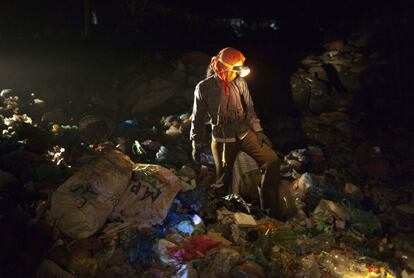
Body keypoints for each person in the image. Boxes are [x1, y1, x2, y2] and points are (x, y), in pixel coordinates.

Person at [190, 47, 281, 217]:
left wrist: (259, 131)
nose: (240, 70)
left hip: (244, 133)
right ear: (224, 68)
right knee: (223, 181)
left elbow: (250, 110)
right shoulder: (204, 88)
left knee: (271, 161)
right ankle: (222, 214)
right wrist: (196, 143)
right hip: (223, 139)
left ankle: (269, 209)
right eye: (237, 67)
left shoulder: (240, 82)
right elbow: (198, 119)